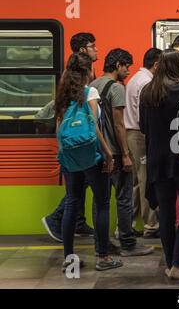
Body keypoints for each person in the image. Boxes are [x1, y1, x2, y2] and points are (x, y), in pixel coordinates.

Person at [54, 52, 122, 271]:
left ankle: (69, 258)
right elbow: (93, 126)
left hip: (70, 158)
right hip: (92, 156)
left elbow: (58, 129)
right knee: (102, 204)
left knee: (73, 203)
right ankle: (103, 258)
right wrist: (108, 153)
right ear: (88, 71)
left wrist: (63, 155)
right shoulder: (90, 91)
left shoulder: (62, 95)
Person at [139, 49, 179, 281]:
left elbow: (143, 127)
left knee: (165, 213)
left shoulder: (148, 91)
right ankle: (178, 263)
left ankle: (170, 263)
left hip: (158, 159)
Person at [90, 48, 154, 257]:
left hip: (98, 152)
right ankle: (128, 243)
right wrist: (125, 154)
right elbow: (119, 125)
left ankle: (102, 243)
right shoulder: (116, 89)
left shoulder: (93, 85)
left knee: (100, 200)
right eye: (127, 66)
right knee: (124, 197)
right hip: (115, 153)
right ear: (118, 65)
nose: (128, 71)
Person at [41, 32, 99, 242]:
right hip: (78, 140)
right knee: (78, 187)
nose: (96, 50)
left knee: (80, 185)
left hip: (72, 141)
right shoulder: (76, 76)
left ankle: (79, 222)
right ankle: (56, 218)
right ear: (83, 50)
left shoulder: (74, 73)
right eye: (93, 46)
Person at [124, 47, 162, 239]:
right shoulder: (147, 82)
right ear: (156, 65)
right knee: (146, 179)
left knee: (135, 183)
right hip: (141, 135)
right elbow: (144, 116)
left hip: (131, 134)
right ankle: (151, 225)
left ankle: (126, 225)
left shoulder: (135, 79)